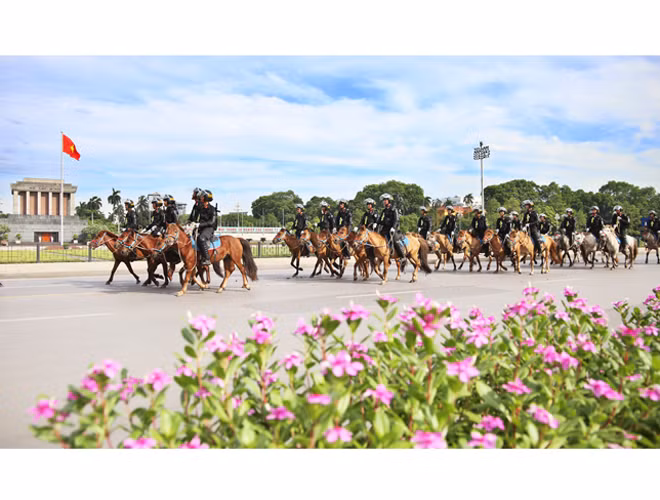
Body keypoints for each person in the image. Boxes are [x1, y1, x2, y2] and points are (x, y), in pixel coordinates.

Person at [377, 193, 404, 257]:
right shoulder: (384, 211)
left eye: (385, 200)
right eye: (384, 200)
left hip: (392, 229)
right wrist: (377, 223)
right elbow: (381, 220)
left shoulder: (394, 209)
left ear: (389, 201)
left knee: (395, 240)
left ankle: (402, 256)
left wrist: (393, 227)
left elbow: (396, 220)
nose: (384, 201)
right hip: (385, 229)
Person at [197, 190, 217, 266]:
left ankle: (207, 258)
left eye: (202, 196)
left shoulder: (212, 209)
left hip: (209, 228)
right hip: (201, 228)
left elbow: (212, 222)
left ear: (205, 198)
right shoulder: (201, 208)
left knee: (201, 238)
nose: (201, 198)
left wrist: (199, 225)